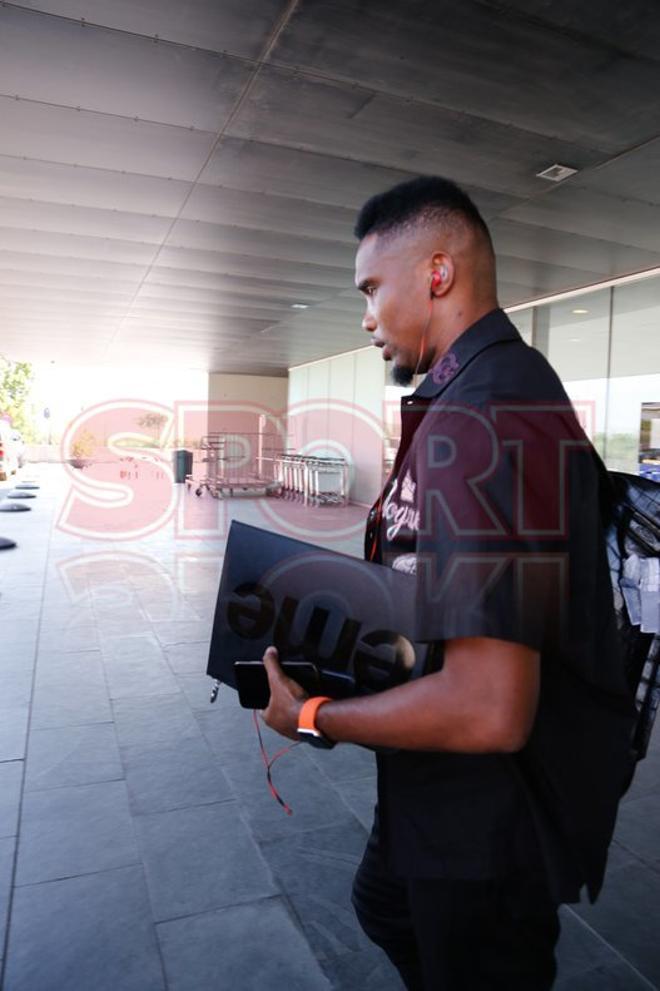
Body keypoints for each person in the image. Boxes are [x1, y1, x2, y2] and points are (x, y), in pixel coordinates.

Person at [261, 176, 637, 990]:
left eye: (371, 288)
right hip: (441, 803)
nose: (365, 316)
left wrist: (316, 715)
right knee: (384, 905)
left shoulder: (492, 411)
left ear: (437, 273)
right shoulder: (469, 397)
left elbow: (489, 706)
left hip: (487, 834)